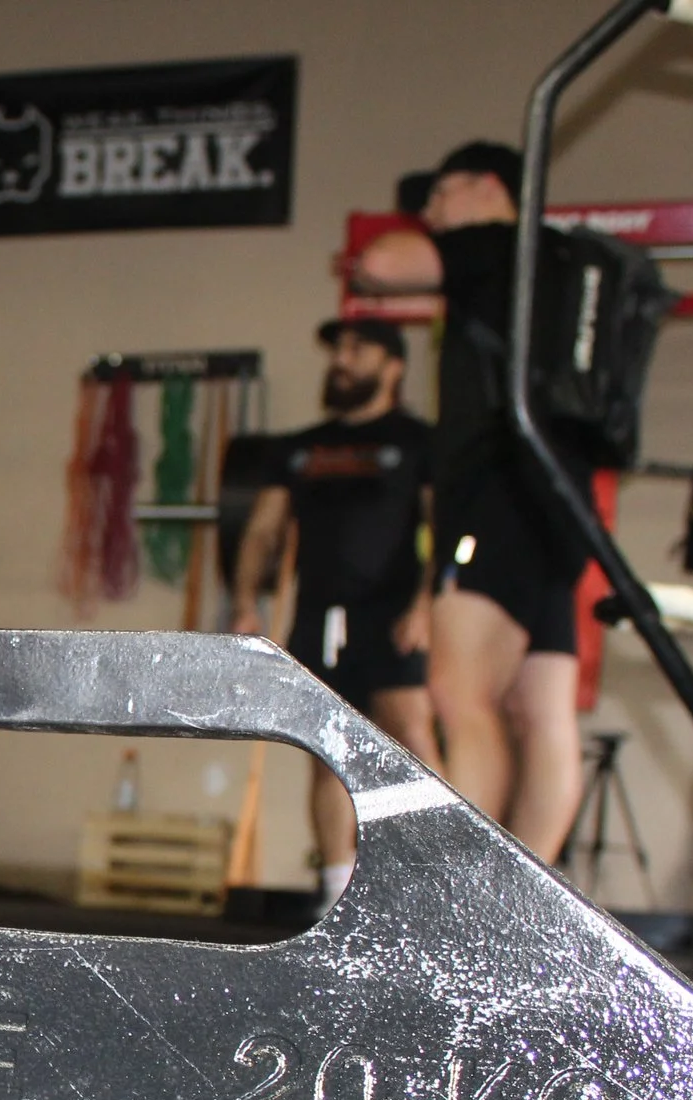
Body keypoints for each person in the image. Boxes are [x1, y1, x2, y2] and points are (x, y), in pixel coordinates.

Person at [351, 141, 585, 863]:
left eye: (440, 193)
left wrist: (423, 238)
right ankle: (537, 891)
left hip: (494, 497)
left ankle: (472, 895)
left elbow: (381, 266)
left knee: (461, 696)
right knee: (541, 708)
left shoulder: (494, 244)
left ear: (488, 187)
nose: (430, 212)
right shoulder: (564, 262)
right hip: (561, 506)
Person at [231, 318, 441, 901]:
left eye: (357, 349)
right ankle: (333, 888)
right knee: (328, 750)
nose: (342, 360)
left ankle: (436, 882)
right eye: (337, 350)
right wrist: (247, 602)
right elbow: (263, 531)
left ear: (393, 365)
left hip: (394, 612)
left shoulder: (419, 442)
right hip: (321, 615)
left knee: (411, 736)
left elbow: (442, 530)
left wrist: (427, 604)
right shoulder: (300, 449)